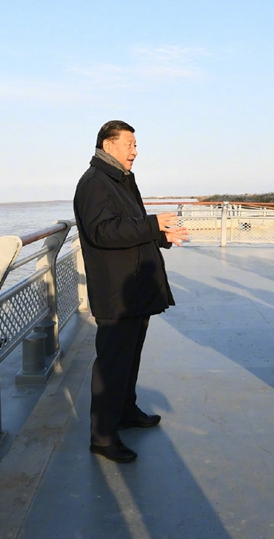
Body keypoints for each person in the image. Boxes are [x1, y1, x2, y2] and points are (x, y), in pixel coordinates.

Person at [74, 120, 190, 463]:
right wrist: (153, 223)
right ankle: (103, 436)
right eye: (130, 144)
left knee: (130, 357)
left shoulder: (120, 180)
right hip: (116, 293)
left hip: (134, 289)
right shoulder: (95, 183)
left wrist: (161, 236)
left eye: (135, 145)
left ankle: (125, 411)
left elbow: (129, 227)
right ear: (108, 146)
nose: (135, 151)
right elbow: (102, 232)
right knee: (112, 364)